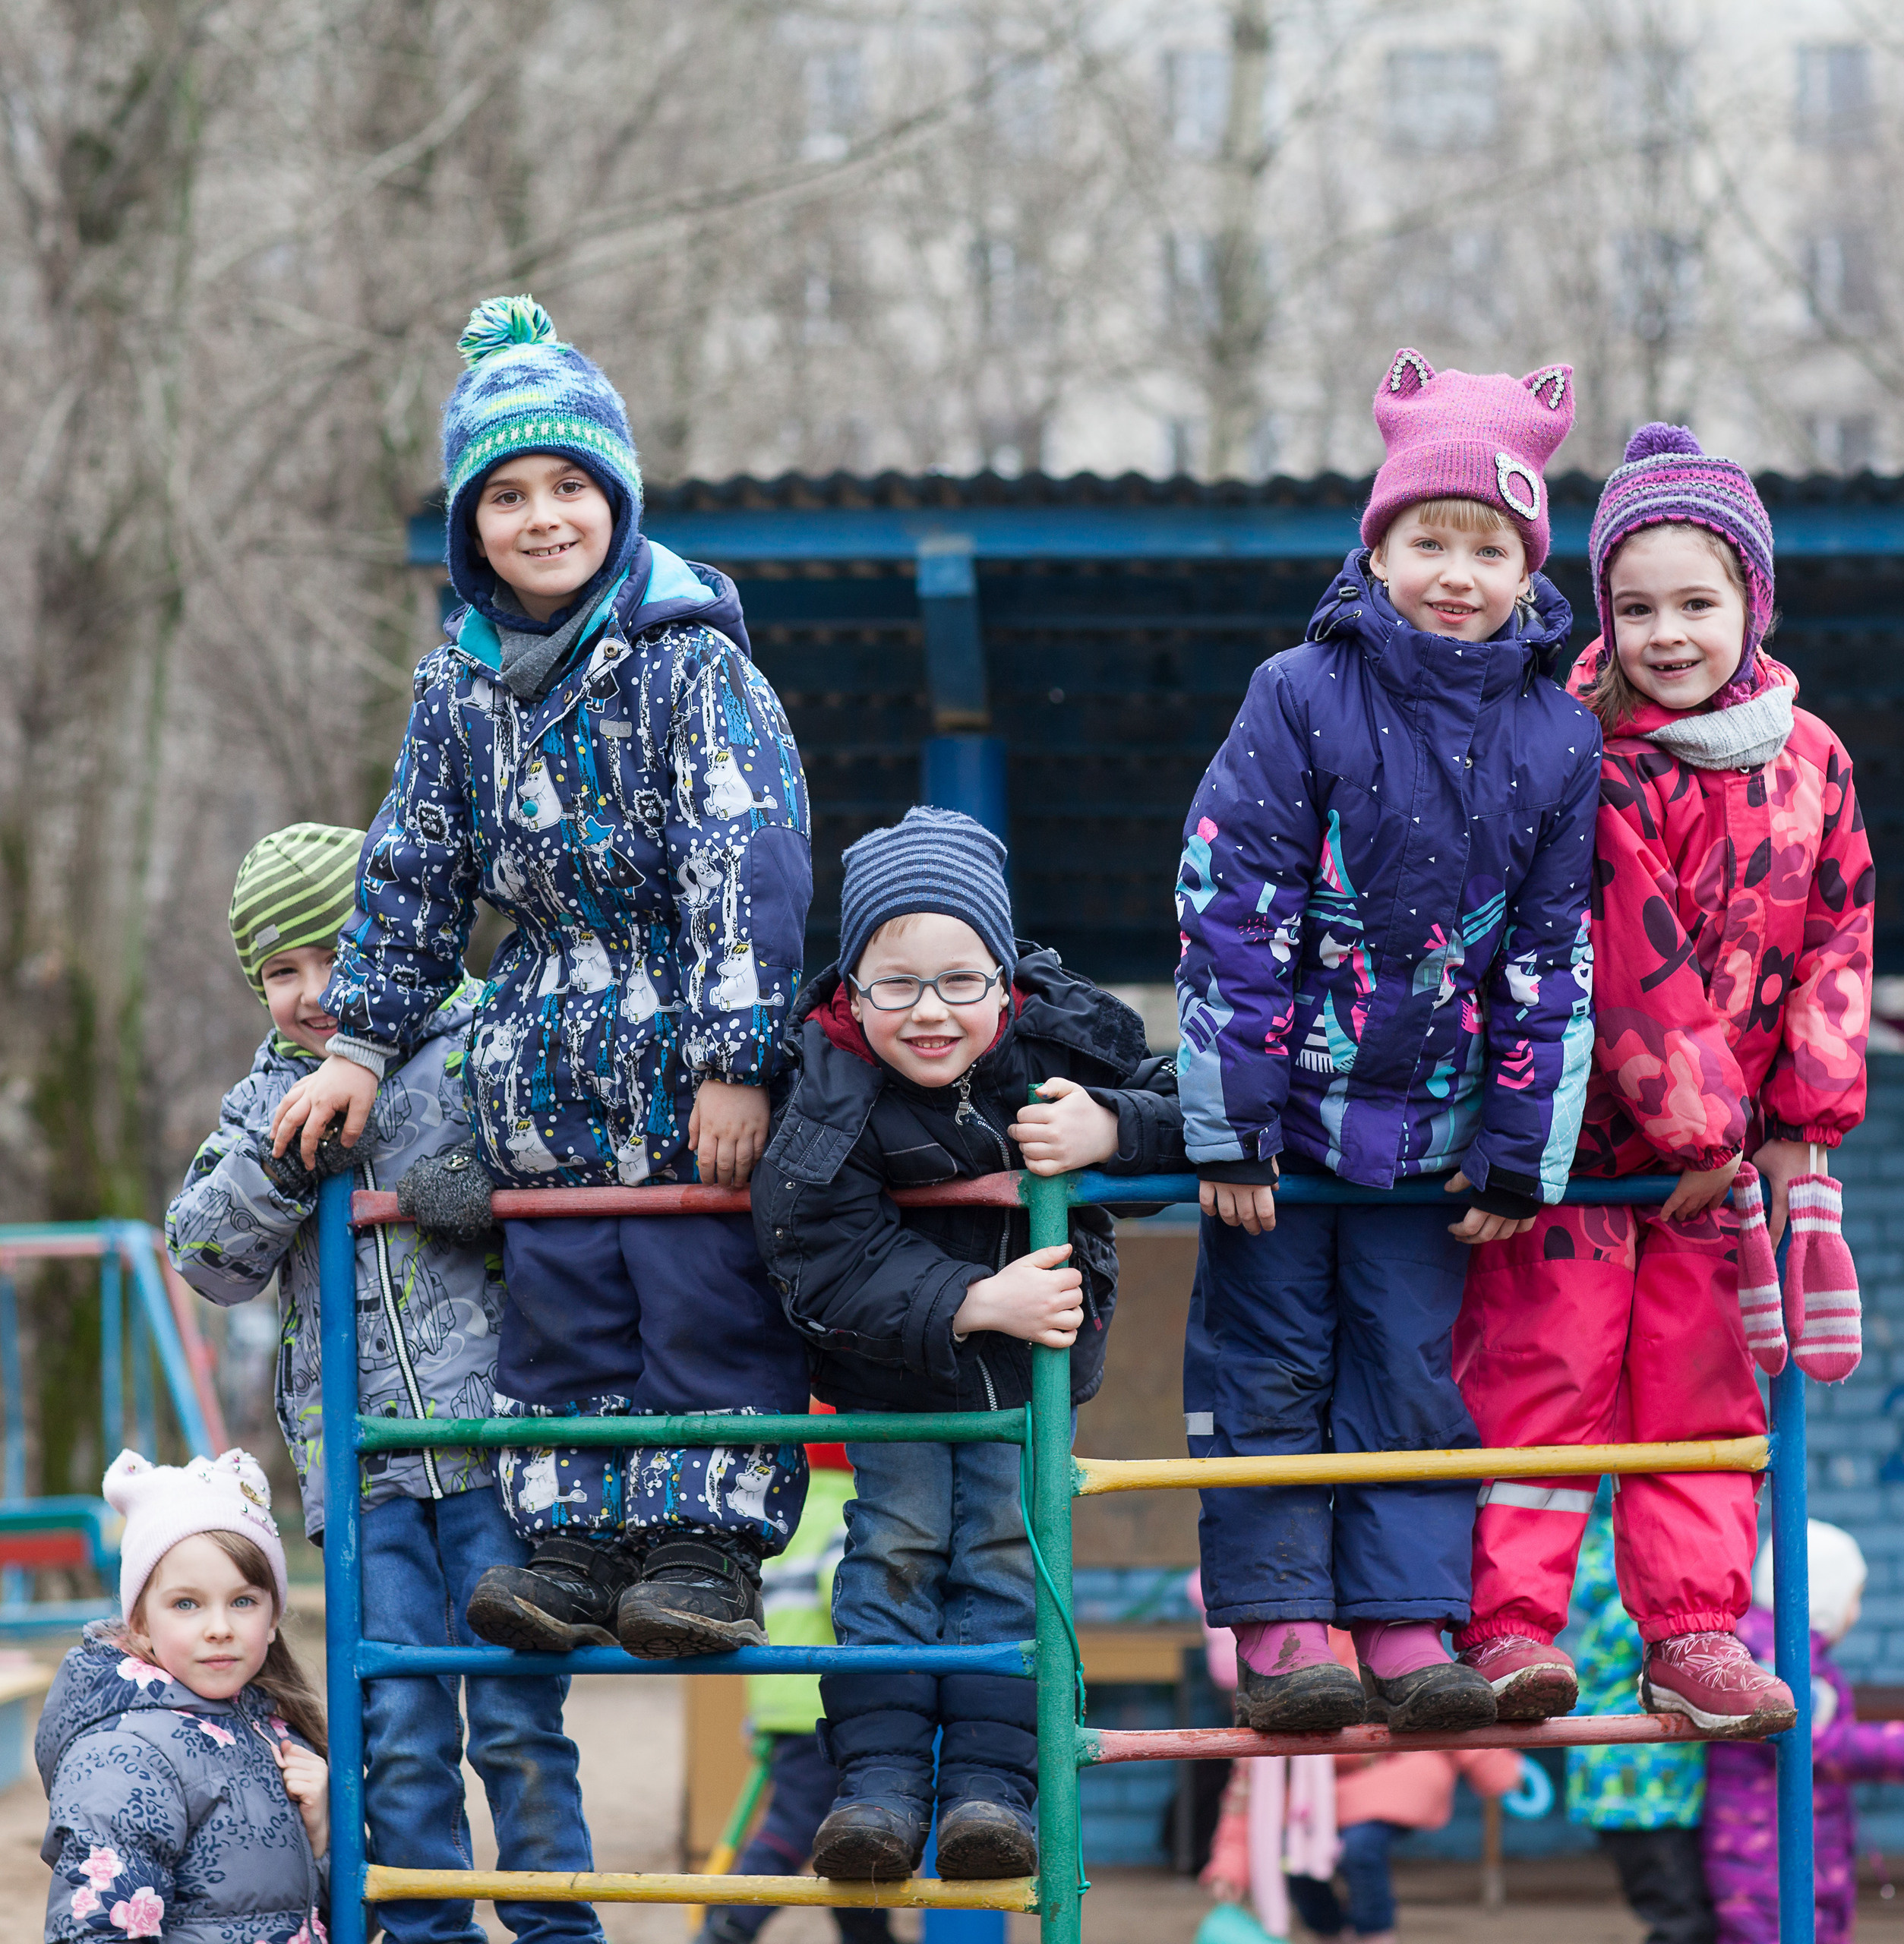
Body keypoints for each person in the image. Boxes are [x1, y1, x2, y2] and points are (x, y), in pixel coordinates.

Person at [269, 294, 815, 1660]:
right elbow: (410, 878)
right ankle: (571, 1546)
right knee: (564, 1316)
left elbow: (747, 866)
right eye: (505, 494)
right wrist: (358, 1047)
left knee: (698, 1302)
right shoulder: (457, 691)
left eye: (570, 483)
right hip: (543, 1071)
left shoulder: (690, 666)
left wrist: (737, 1059)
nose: (543, 515)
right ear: (472, 530)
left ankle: (702, 1549)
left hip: (684, 1064)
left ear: (617, 498)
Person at [1174, 348, 1596, 1737]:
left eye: (1490, 546)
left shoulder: (1556, 735)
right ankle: (1287, 1630)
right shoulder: (1299, 693)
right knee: (1271, 1371)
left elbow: (1550, 950)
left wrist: (1521, 1153)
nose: (1458, 572)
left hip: (1434, 1142)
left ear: (1531, 566)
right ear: (1382, 544)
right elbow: (1233, 900)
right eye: (1429, 540)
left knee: (1413, 1375)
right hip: (1284, 1142)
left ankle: (1411, 1626)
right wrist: (1228, 1124)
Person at [1454, 424, 1874, 1735]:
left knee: (1700, 1389)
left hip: (1728, 1174)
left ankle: (1693, 1632)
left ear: (1752, 601)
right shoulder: (1583, 753)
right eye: (1635, 607)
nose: (1667, 632)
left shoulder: (1814, 758)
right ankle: (1511, 1628)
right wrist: (1707, 1126)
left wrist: (1804, 1127)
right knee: (1545, 1382)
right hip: (1586, 1153)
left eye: (1697, 602)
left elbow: (1837, 940)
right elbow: (1624, 950)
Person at [165, 820, 602, 1944]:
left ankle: (559, 1926)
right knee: (397, 1717)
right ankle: (427, 1929)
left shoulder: (472, 1043)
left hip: (500, 1453)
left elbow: (572, 1148)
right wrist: (278, 1164)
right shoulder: (263, 1099)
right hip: (362, 1472)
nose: (314, 993)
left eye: (339, 953)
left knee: (515, 1716)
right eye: (281, 972)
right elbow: (204, 1255)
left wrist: (486, 1178)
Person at [752, 806, 1188, 1882]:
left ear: (1007, 978)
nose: (931, 1012)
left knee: (1008, 1557)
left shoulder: (1060, 1036)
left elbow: (1200, 1100)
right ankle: (879, 1794)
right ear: (850, 988)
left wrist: (1111, 1130)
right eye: (896, 984)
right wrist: (974, 1300)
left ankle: (996, 1793)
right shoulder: (828, 1076)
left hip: (1029, 1384)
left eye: (962, 980)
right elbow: (814, 1246)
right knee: (894, 1553)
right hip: (899, 1373)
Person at [38, 1450, 330, 1942]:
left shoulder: (283, 1736)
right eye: (187, 1603)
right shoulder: (124, 1757)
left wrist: (325, 1840)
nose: (219, 1628)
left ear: (274, 1616)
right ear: (141, 1623)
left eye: (243, 1601)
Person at [1704, 1521, 1904, 1944]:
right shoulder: (1779, 1664)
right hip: (1767, 1865)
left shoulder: (1770, 1652)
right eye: (1856, 1598)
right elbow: (1819, 1747)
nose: (1858, 1613)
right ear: (1825, 1598)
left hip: (1787, 1855)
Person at [1199, 1627, 1520, 1943]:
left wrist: (1494, 1765)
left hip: (1390, 1774)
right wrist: (1230, 1867)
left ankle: (1375, 1935)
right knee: (1293, 1856)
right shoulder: (1262, 1702)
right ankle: (1330, 1933)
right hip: (1313, 1801)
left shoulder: (1361, 1643)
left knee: (1360, 1848)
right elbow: (1249, 1790)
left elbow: (1438, 1705)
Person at [703, 1407, 889, 1944]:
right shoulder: (847, 1517)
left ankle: (867, 1933)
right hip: (827, 1704)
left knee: (856, 1828)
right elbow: (853, 1601)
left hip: (781, 1697)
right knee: (799, 1826)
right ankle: (731, 1924)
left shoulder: (788, 1522)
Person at [1567, 1489, 1717, 1944]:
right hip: (1646, 1794)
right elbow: (1701, 1662)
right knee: (1682, 1919)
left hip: (1630, 1788)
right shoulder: (1637, 1616)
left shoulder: (1608, 1607)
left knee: (1678, 1911)